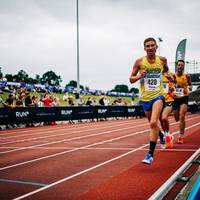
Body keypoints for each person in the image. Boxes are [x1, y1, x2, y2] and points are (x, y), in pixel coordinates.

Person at [130, 37, 168, 164]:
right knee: (153, 125)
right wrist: (140, 75)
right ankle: (161, 135)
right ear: (144, 48)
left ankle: (150, 155)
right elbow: (131, 79)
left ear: (156, 47)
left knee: (153, 122)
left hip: (158, 95)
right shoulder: (139, 62)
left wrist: (168, 75)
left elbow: (166, 70)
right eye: (148, 46)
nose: (150, 47)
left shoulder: (162, 60)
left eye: (153, 45)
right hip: (145, 98)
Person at [173, 60, 192, 144]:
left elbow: (190, 84)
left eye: (182, 65)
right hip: (176, 98)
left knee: (182, 116)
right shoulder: (173, 76)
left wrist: (190, 87)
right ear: (176, 66)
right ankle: (181, 133)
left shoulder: (187, 76)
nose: (180, 66)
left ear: (183, 67)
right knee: (176, 118)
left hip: (184, 97)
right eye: (179, 65)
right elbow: (170, 85)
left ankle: (181, 136)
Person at [160, 71, 176, 148]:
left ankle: (168, 135)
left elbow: (173, 94)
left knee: (164, 117)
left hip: (169, 100)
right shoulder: (156, 74)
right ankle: (167, 136)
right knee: (161, 120)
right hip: (159, 101)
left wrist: (171, 90)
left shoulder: (170, 74)